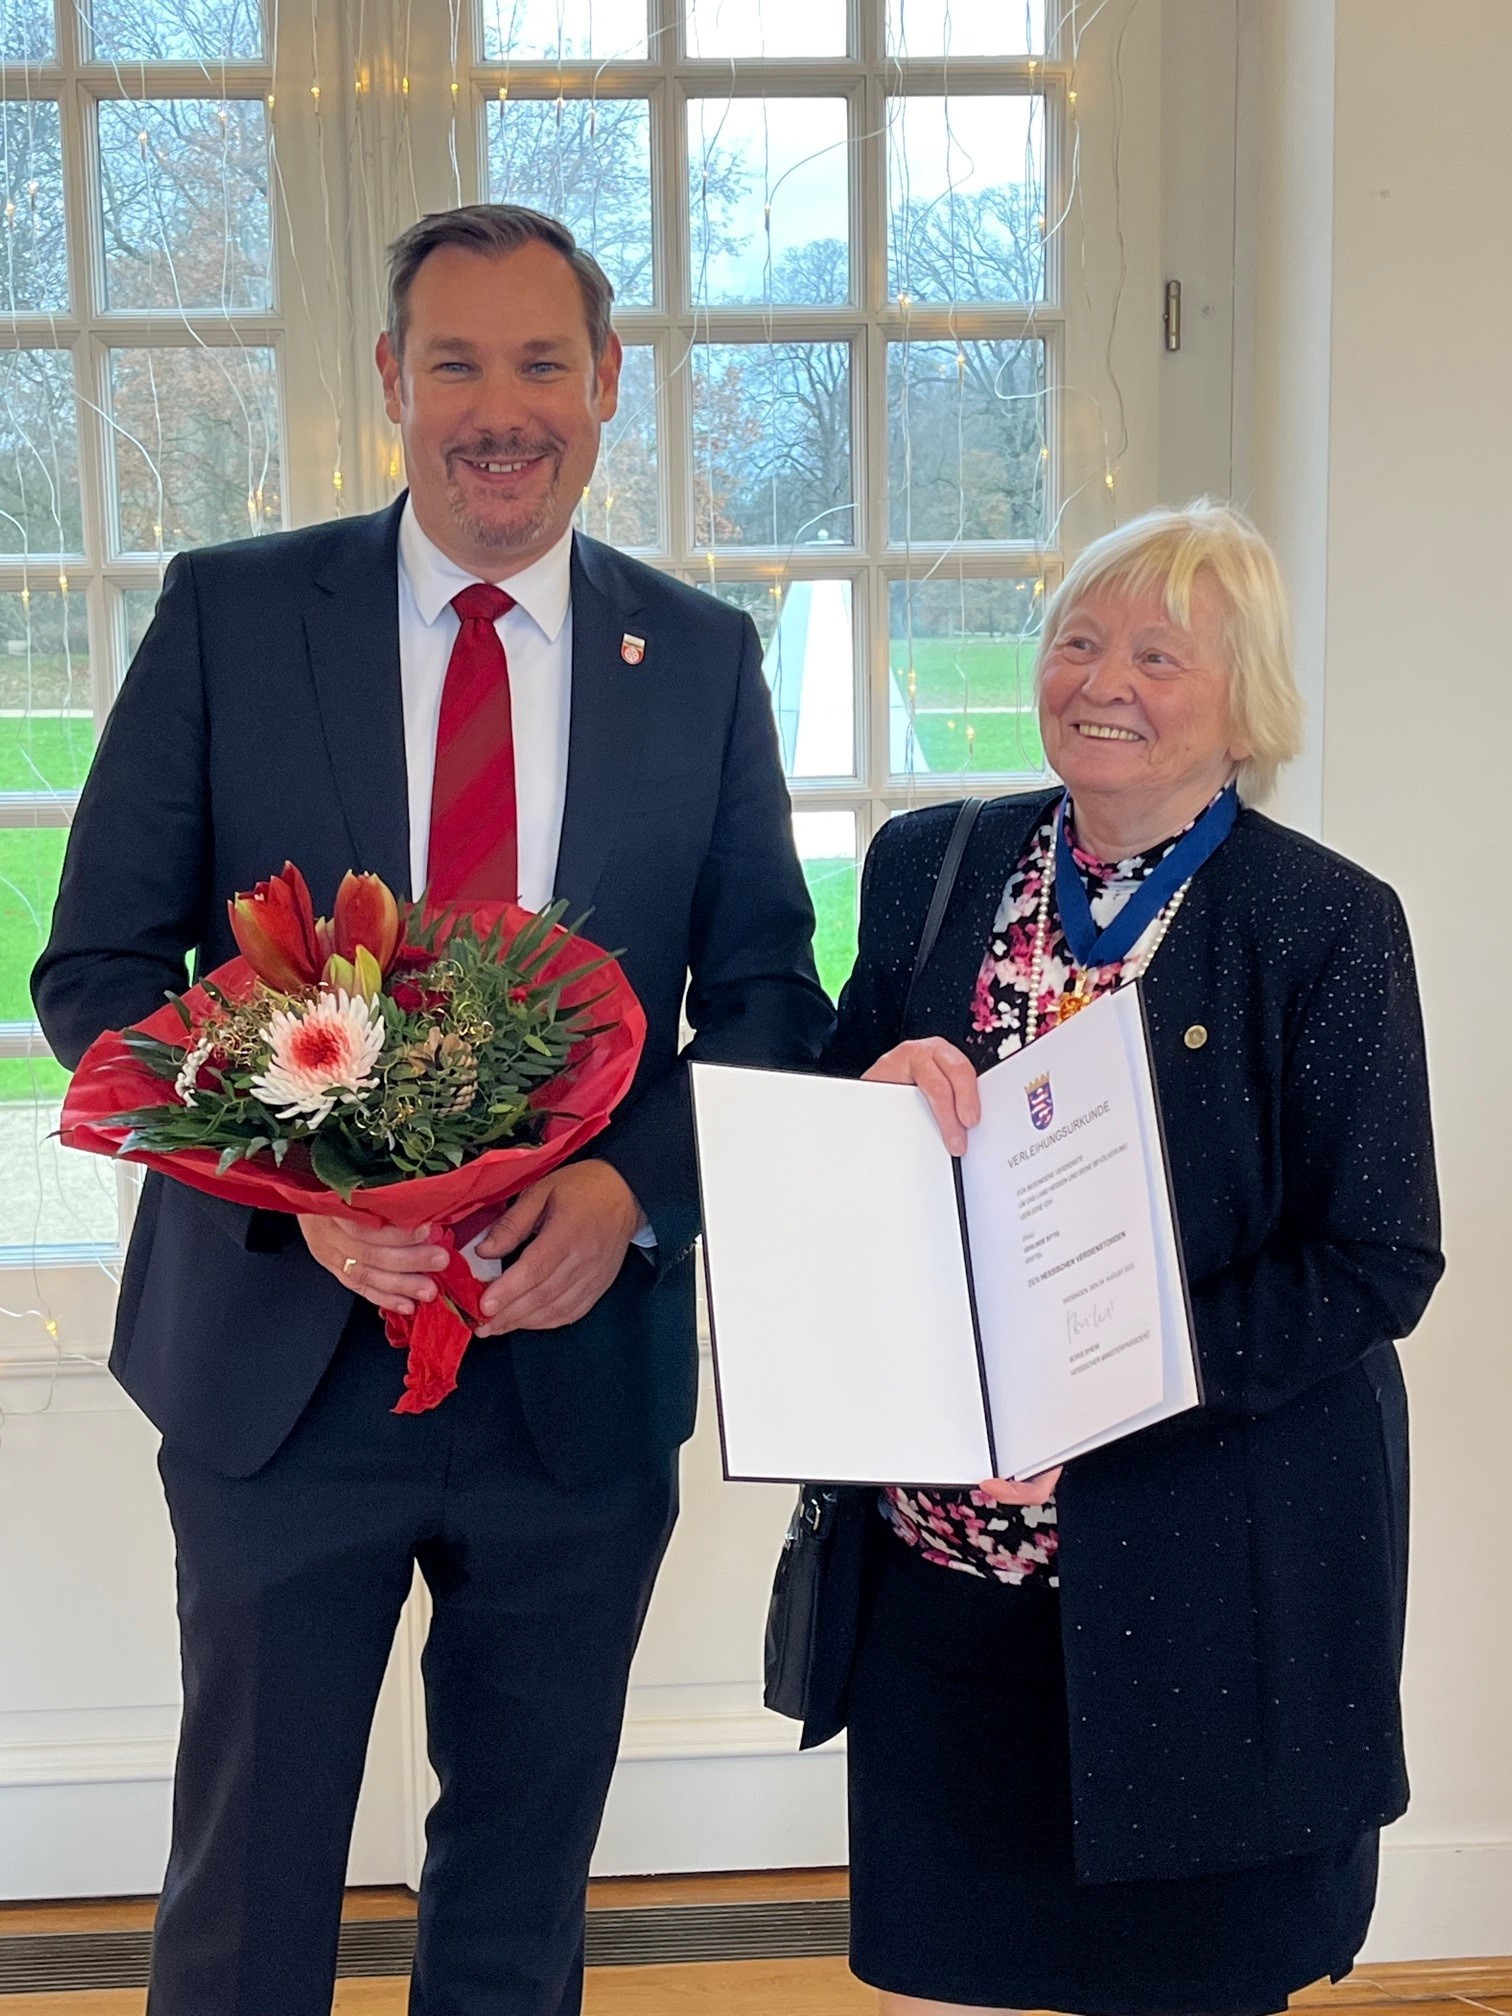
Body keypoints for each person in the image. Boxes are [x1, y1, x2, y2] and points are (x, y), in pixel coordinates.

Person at [32, 204, 832, 2016]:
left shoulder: (700, 658)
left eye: (542, 363)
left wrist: (634, 1197)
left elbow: (770, 995)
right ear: (393, 382)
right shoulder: (233, 615)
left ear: (607, 386)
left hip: (575, 1383)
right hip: (280, 1361)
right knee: (250, 1887)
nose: (501, 407)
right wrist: (294, 1179)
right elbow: (94, 972)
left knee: (522, 1888)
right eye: (455, 361)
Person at [814, 501, 1443, 2016]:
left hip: (1207, 1574)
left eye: (1159, 654)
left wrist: (1118, 1391)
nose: (1105, 678)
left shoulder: (1326, 923)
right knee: (989, 1959)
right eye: (1080, 640)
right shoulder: (930, 869)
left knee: (1194, 1979)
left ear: (1246, 705)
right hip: (954, 1566)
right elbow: (832, 1147)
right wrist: (876, 1091)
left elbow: (1377, 1258)